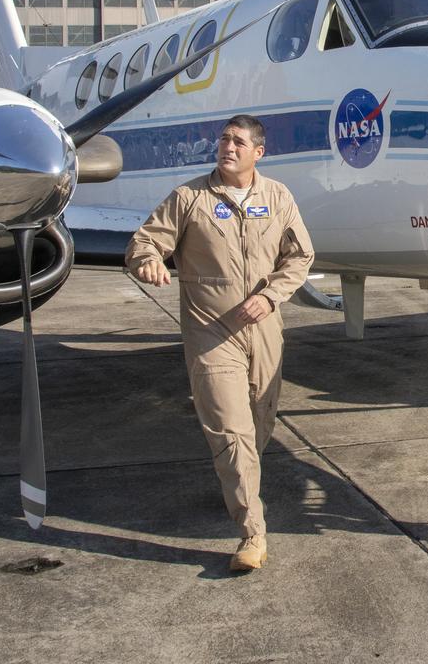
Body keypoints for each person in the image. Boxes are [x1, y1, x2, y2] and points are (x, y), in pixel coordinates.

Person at [125, 114, 314, 572]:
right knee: (231, 431)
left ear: (258, 152)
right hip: (212, 332)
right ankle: (253, 533)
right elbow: (143, 243)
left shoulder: (277, 196)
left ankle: (239, 482)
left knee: (259, 419)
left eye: (238, 141)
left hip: (265, 329)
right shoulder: (190, 197)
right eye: (224, 139)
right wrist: (148, 262)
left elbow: (300, 255)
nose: (227, 146)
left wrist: (270, 297)